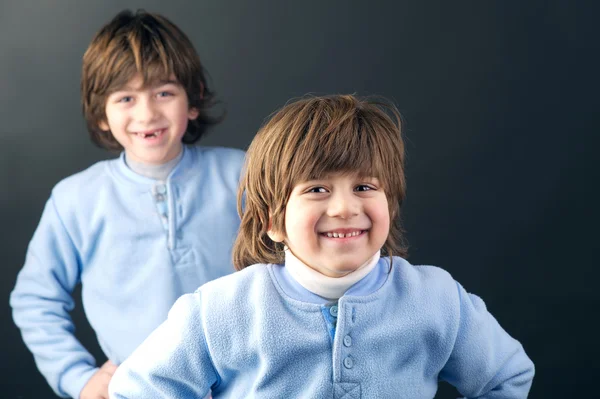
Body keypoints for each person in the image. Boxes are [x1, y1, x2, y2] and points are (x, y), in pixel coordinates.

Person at [108, 94, 535, 398]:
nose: (346, 207)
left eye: (365, 185)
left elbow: (507, 377)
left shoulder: (437, 299)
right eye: (316, 189)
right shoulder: (219, 310)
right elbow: (134, 392)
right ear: (272, 221)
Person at [10, 9, 244, 399]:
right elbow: (35, 299)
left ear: (194, 99)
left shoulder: (243, 175)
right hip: (138, 391)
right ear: (102, 113)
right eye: (125, 98)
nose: (147, 113)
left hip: (248, 384)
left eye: (164, 93)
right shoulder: (76, 199)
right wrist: (78, 377)